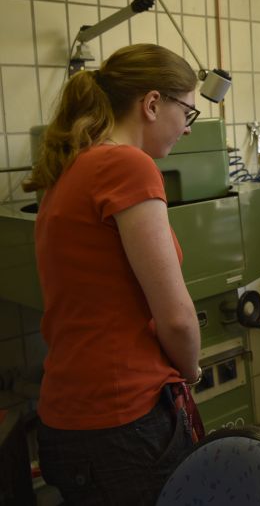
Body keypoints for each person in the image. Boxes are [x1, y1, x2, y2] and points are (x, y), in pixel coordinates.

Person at [24, 44, 203, 505]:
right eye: (187, 111)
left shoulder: (70, 167)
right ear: (151, 103)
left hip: (68, 416)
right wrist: (191, 370)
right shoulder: (127, 164)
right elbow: (177, 316)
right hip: (125, 422)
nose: (187, 127)